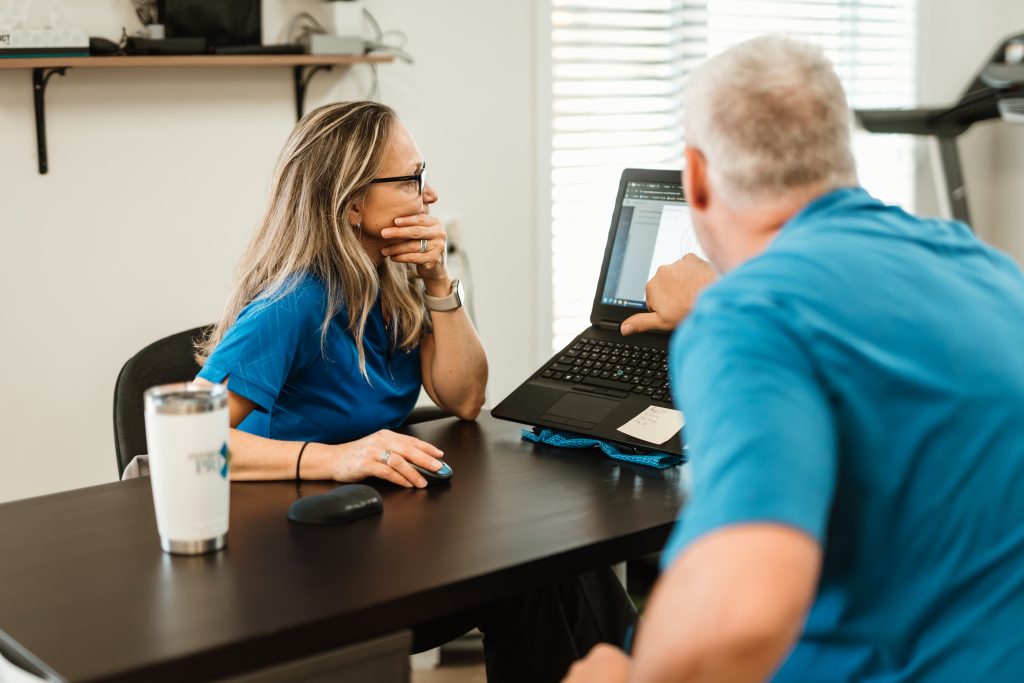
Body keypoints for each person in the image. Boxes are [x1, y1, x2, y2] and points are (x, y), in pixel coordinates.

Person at [566, 36, 1024, 683]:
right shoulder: (985, 268)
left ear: (696, 178)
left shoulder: (748, 315)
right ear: (838, 152)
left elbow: (745, 610)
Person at [194, 101, 634, 682]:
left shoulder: (389, 280)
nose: (429, 195)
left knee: (555, 563)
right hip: (295, 557)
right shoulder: (294, 301)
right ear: (352, 204)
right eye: (410, 180)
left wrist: (437, 280)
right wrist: (334, 458)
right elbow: (188, 441)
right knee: (534, 579)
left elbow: (465, 397)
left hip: (373, 525)